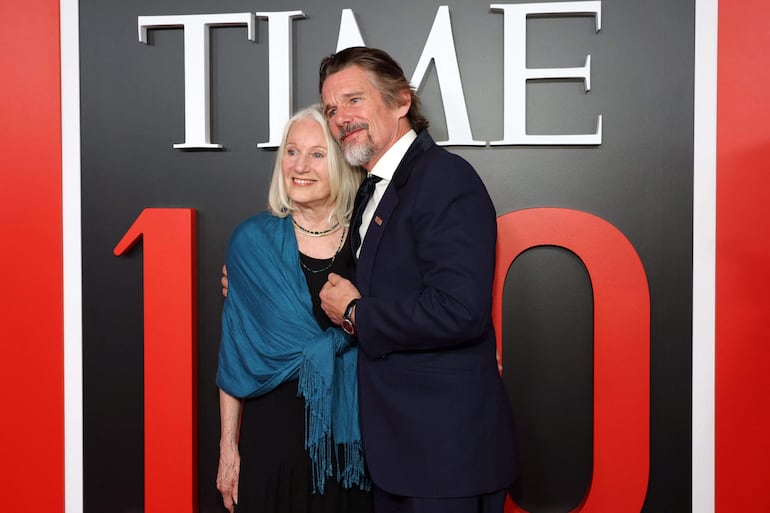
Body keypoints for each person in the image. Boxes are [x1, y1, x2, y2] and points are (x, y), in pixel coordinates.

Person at [317, 47, 517, 513]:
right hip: (401, 454)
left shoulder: (444, 179)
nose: (341, 117)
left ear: (402, 101)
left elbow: (460, 310)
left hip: (446, 459)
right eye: (331, 108)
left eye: (353, 100)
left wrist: (356, 313)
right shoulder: (374, 189)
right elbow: (346, 287)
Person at [215, 104, 373, 513]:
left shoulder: (370, 243)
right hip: (273, 442)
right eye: (291, 151)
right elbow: (235, 356)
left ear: (340, 162)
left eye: (317, 154)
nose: (299, 166)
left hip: (356, 444)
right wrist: (228, 449)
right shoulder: (252, 242)